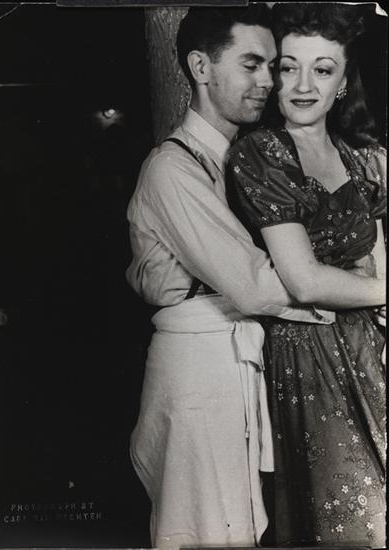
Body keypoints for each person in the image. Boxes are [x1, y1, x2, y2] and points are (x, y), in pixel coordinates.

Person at [126, 5, 381, 549]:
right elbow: (258, 285)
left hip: (247, 354)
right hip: (201, 365)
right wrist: (343, 283)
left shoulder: (242, 156)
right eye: (251, 65)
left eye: (272, 65)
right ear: (200, 67)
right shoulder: (173, 168)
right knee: (207, 530)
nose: (268, 81)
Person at [226, 3, 386, 548]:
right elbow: (305, 281)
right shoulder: (261, 153)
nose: (302, 85)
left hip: (374, 347)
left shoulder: (365, 159)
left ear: (342, 83)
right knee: (350, 521)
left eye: (322, 69)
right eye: (289, 67)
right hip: (309, 356)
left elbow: (378, 257)